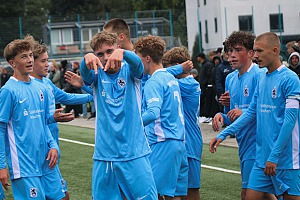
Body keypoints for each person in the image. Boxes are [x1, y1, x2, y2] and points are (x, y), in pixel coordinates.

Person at [210, 32, 300, 200]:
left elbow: (289, 121)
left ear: (274, 50)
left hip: (285, 159)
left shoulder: (290, 79)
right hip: (262, 157)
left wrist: (274, 156)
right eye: (254, 51)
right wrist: (223, 134)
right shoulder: (263, 78)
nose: (256, 55)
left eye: (259, 51)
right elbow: (251, 113)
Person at [80, 31, 157, 199]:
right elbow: (84, 74)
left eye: (110, 51)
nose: (106, 57)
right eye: (100, 54)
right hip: (105, 156)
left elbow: (139, 65)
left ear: (118, 49)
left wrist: (124, 54)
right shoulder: (96, 76)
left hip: (134, 152)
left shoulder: (131, 72)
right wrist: (86, 58)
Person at [210, 31, 273, 200]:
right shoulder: (230, 79)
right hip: (243, 144)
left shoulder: (260, 75)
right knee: (267, 193)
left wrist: (243, 112)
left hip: (259, 144)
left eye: (237, 50)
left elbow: (266, 111)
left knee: (249, 194)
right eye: (229, 51)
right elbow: (231, 115)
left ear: (250, 53)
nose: (231, 56)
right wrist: (221, 116)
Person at [30, 38, 94, 200]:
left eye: (48, 61)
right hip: (37, 150)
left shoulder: (46, 82)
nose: (48, 65)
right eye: (43, 61)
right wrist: (52, 118)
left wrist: (94, 96)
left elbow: (65, 97)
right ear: (32, 62)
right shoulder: (27, 87)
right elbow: (29, 121)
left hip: (51, 148)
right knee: (62, 196)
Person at [0, 37, 61, 199]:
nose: (29, 60)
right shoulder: (8, 91)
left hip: (46, 161)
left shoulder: (40, 88)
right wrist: (1, 166)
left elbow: (43, 123)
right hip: (24, 165)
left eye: (30, 56)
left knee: (61, 197)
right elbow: (1, 129)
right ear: (12, 63)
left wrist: (53, 145)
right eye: (23, 57)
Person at [134, 35, 188, 199]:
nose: (137, 64)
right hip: (179, 142)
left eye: (138, 59)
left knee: (151, 192)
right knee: (173, 195)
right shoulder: (170, 78)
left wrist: (132, 124)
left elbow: (153, 113)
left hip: (163, 142)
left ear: (147, 58)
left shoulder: (154, 82)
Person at [163, 46, 202, 200]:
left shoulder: (187, 84)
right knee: (173, 190)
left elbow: (158, 77)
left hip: (190, 141)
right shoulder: (182, 83)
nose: (166, 70)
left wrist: (177, 69)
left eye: (168, 67)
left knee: (190, 189)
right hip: (180, 140)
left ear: (180, 65)